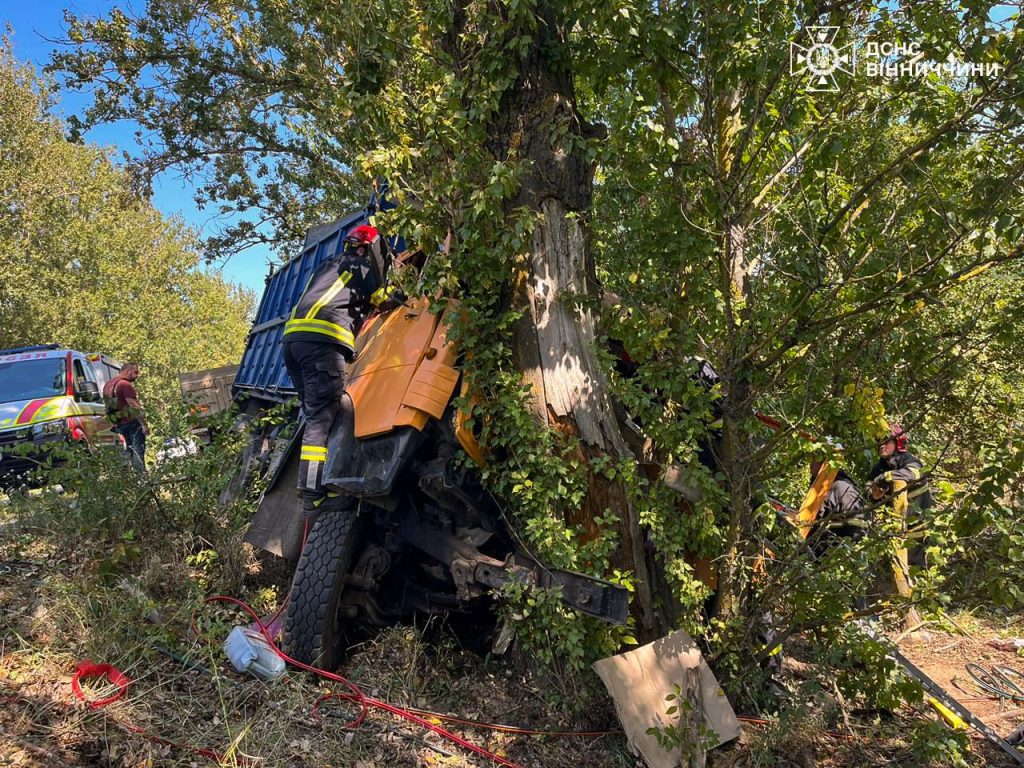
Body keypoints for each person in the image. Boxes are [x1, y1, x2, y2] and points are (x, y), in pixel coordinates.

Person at [282, 224, 404, 518]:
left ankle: (315, 484)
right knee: (323, 417)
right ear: (367, 248)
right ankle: (314, 495)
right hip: (322, 345)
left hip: (292, 343)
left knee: (315, 414)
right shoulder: (360, 266)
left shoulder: (327, 266)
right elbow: (382, 297)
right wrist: (401, 294)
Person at [807, 460, 868, 558]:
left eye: (816, 461)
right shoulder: (818, 484)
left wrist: (841, 555)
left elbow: (858, 527)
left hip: (828, 557)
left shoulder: (842, 488)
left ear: (826, 463)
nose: (811, 464)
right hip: (810, 550)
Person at [107, 362, 147, 472]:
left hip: (119, 424)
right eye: (135, 372)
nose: (137, 375)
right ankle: (142, 480)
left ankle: (125, 478)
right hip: (132, 423)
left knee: (127, 451)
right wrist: (144, 424)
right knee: (138, 450)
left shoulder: (108, 385)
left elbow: (107, 407)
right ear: (128, 371)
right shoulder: (124, 384)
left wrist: (114, 424)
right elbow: (134, 405)